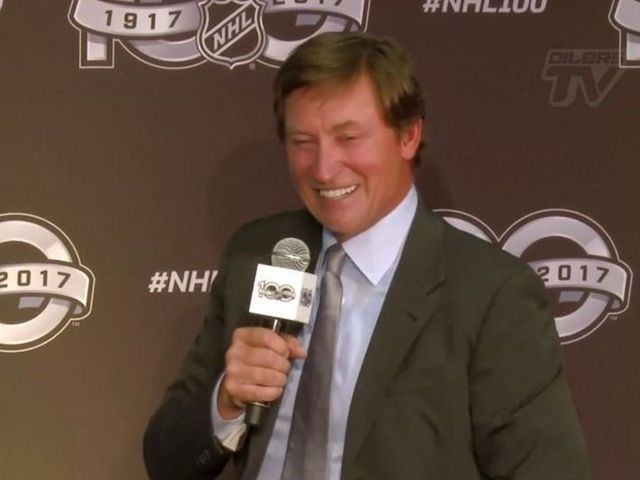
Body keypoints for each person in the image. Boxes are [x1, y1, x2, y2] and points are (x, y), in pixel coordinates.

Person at [143, 32, 591, 479]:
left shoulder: (490, 294)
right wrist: (226, 402)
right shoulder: (261, 254)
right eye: (303, 142)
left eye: (349, 137)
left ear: (408, 136)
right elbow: (167, 461)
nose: (324, 169)